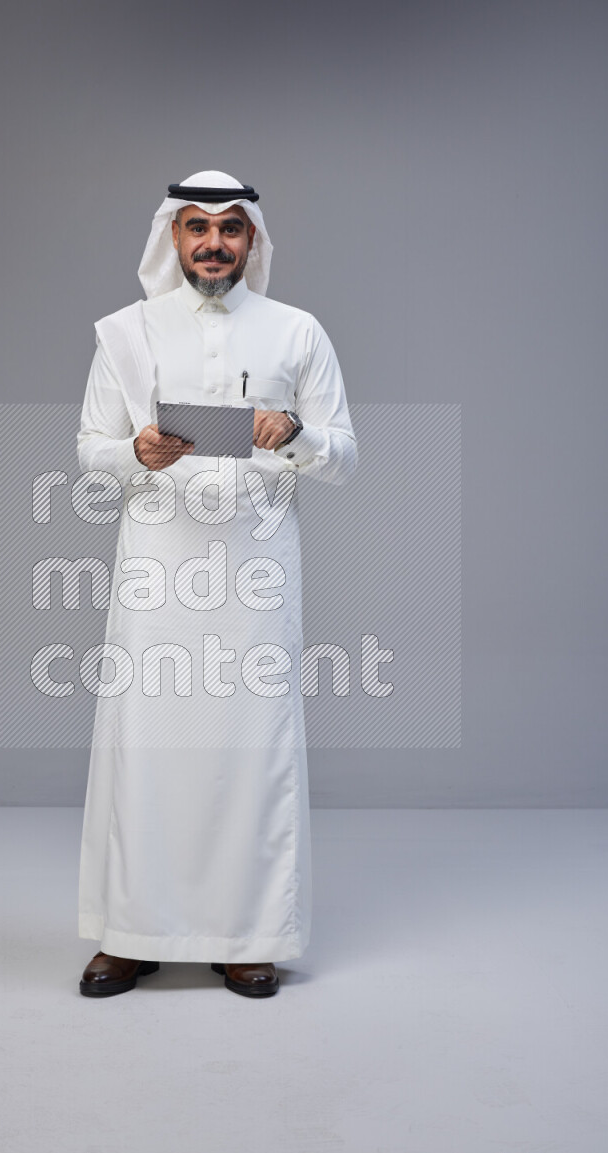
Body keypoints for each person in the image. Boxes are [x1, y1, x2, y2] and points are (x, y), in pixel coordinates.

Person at [76, 170, 357, 998]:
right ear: (173, 235)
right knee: (144, 745)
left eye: (230, 228)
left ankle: (248, 934)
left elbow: (344, 455)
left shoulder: (297, 331)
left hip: (255, 573)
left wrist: (295, 432)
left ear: (252, 239)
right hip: (156, 572)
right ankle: (130, 933)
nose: (212, 242)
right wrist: (136, 452)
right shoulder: (127, 332)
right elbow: (90, 449)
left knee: (252, 746)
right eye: (196, 226)